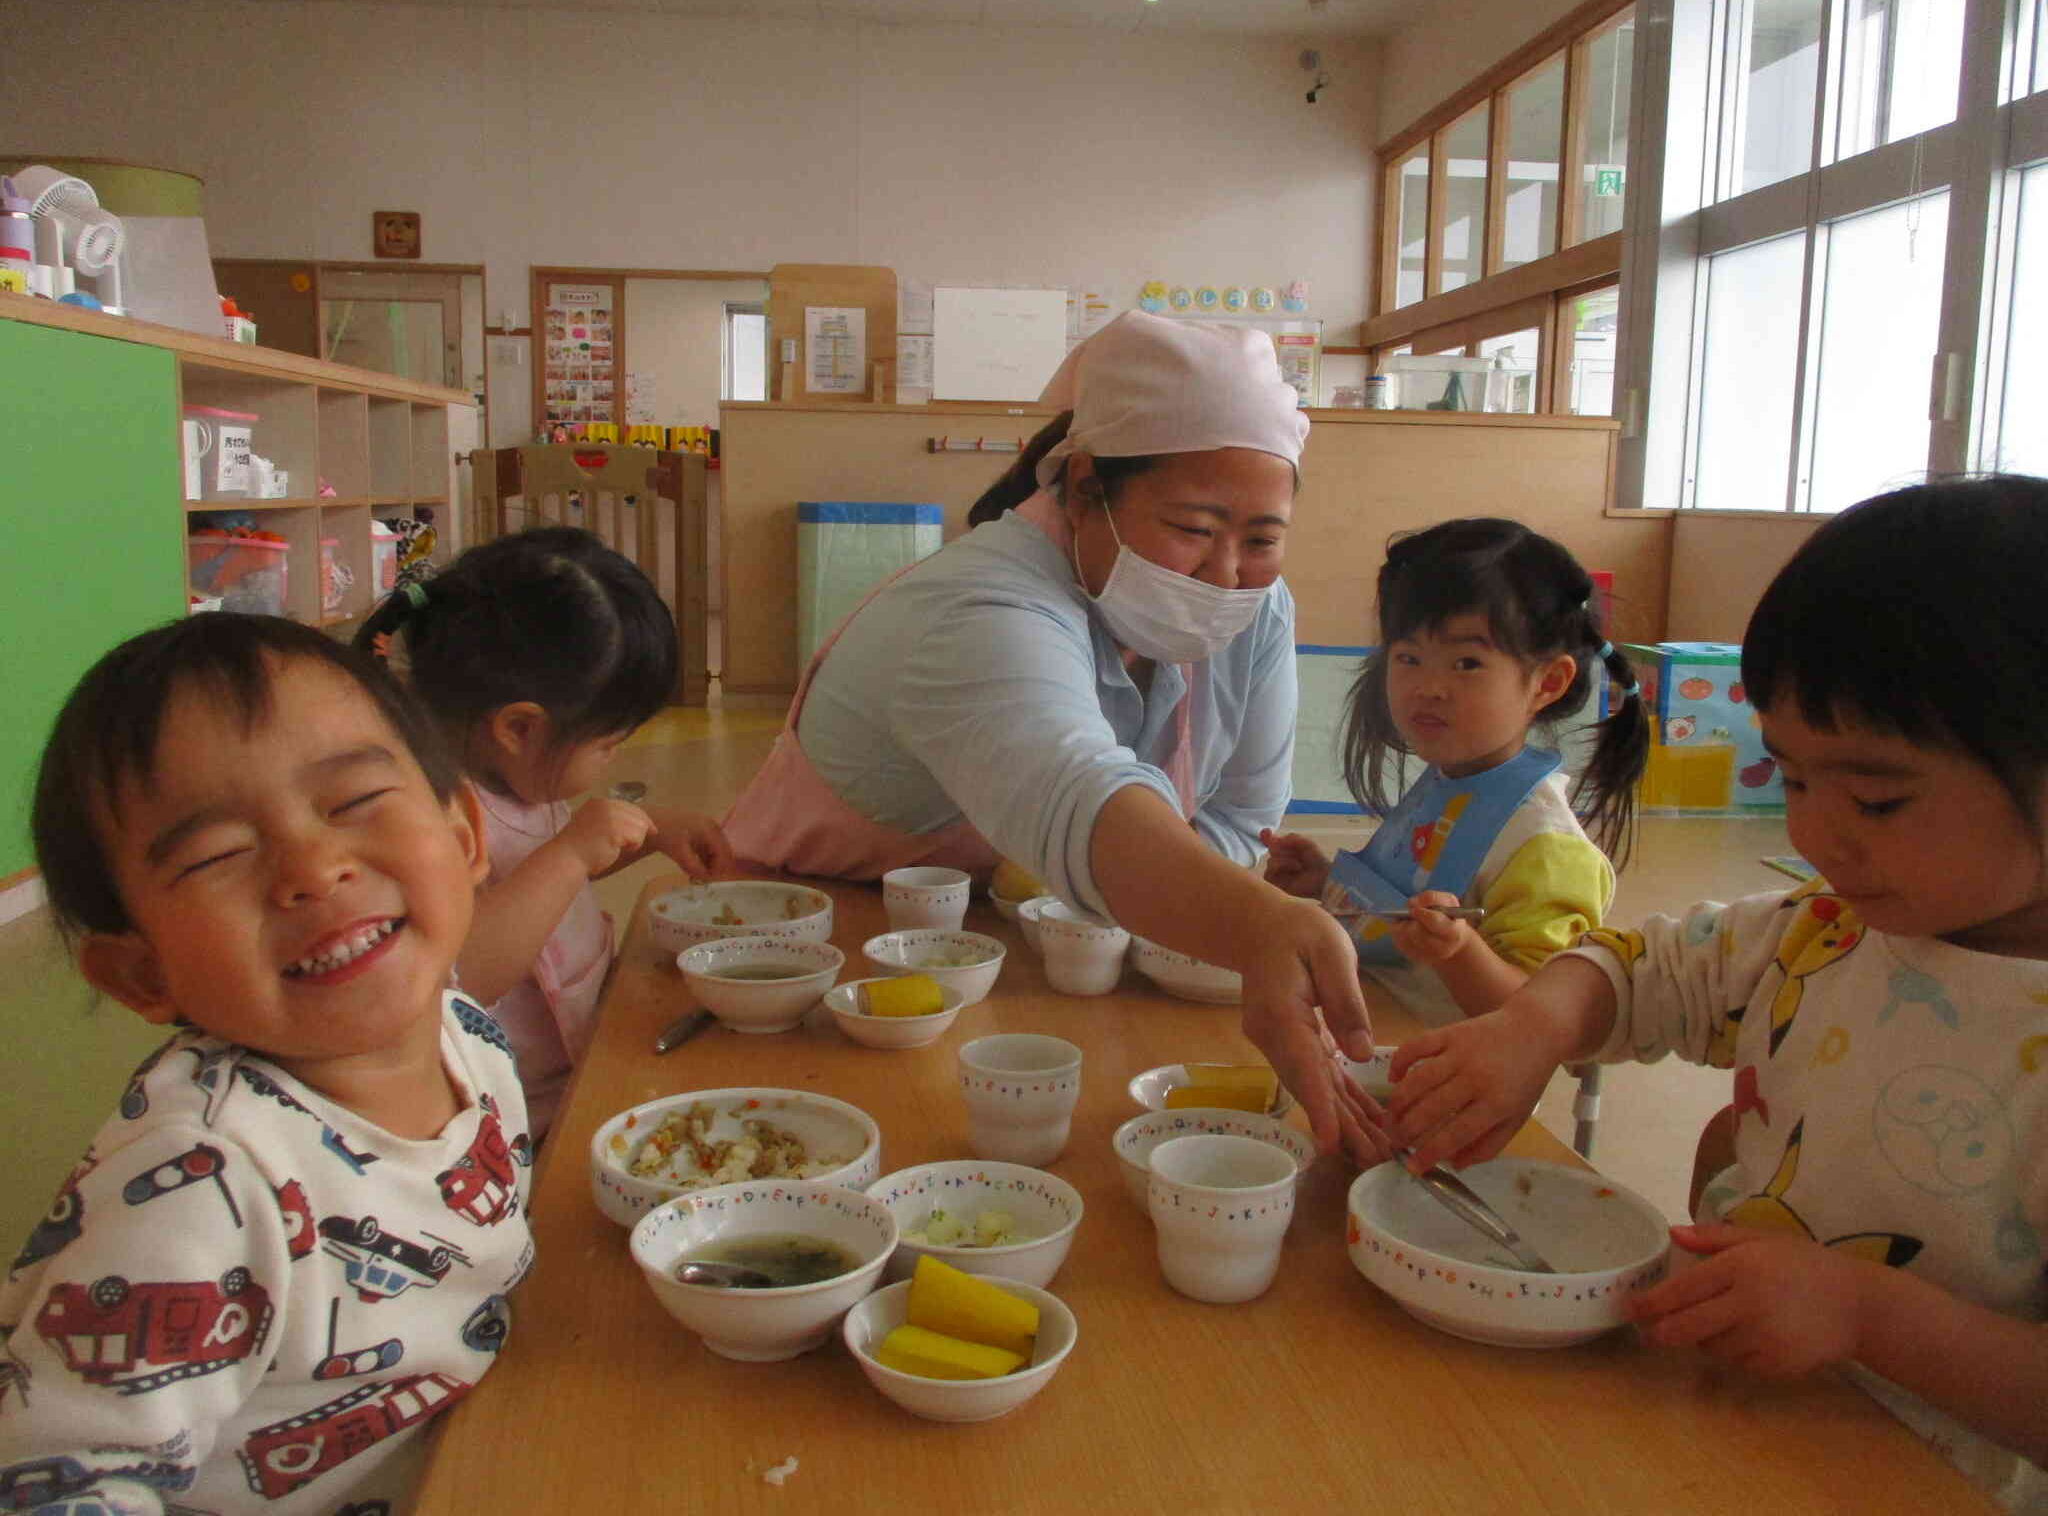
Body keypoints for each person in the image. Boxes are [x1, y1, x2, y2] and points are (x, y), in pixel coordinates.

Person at [1384, 476, 2048, 1507]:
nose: (1814, 836)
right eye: (1788, 780)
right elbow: (1637, 965)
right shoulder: (1820, 931)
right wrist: (1531, 1027)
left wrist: (1866, 1316)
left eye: (1874, 795)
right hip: (1721, 1420)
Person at [720, 311, 1379, 1157]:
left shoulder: (1254, 611)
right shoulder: (977, 609)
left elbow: (1245, 816)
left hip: (1028, 956)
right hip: (804, 961)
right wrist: (1255, 927)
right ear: (1081, 489)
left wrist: (1190, 913)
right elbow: (1078, 793)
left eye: (1262, 538)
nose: (1226, 575)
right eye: (1193, 529)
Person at [1, 614, 531, 1512]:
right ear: (140, 972)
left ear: (466, 836)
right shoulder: (201, 1188)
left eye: (355, 801)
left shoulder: (464, 1031)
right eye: (217, 854)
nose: (312, 869)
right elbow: (56, 1479)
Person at [356, 526, 733, 1139]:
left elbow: (535, 869)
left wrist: (651, 831)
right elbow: (458, 976)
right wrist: (570, 853)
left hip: (579, 1067)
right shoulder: (424, 815)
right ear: (520, 729)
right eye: (609, 744)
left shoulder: (512, 778)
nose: (613, 761)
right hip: (512, 1120)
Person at [1261, 517, 1649, 1027]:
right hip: (1369, 1038)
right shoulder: (1447, 784)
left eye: (1466, 663)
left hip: (1448, 1081)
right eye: (1409, 657)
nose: (1429, 686)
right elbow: (1403, 900)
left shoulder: (1546, 848)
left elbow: (1539, 1013)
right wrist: (1325, 883)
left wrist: (1459, 952)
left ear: (1547, 683)